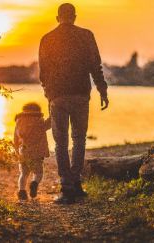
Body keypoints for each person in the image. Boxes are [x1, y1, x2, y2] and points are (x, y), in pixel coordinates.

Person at [39, 3, 109, 204]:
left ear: (57, 17)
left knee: (61, 142)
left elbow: (43, 73)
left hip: (58, 97)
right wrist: (102, 90)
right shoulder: (86, 35)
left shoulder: (47, 38)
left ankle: (66, 186)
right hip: (80, 94)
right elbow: (96, 66)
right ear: (75, 17)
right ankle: (76, 182)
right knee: (79, 139)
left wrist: (49, 94)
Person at [14, 102, 51, 201]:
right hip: (37, 154)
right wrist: (52, 111)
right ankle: (34, 183)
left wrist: (17, 152)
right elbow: (49, 123)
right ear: (38, 112)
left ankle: (21, 192)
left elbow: (15, 139)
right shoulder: (39, 121)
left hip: (23, 152)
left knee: (23, 174)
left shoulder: (19, 122)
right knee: (38, 173)